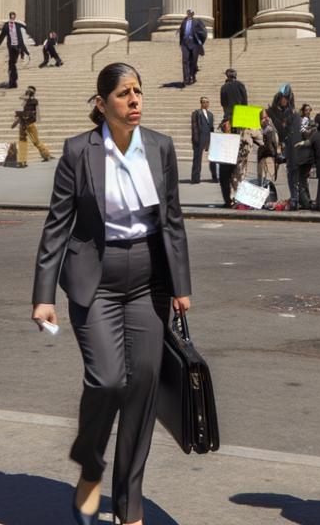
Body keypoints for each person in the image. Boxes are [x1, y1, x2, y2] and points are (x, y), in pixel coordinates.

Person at [32, 63, 192, 525]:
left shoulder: (160, 148)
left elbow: (174, 221)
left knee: (141, 388)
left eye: (139, 91)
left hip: (148, 284)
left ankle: (129, 506)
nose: (136, 100)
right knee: (107, 380)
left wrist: (181, 286)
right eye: (125, 93)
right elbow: (57, 225)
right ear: (102, 104)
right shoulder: (79, 151)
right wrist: (44, 294)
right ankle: (91, 466)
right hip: (95, 283)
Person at [267, 87, 306, 211]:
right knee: (292, 176)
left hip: (295, 151)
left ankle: (297, 200)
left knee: (296, 177)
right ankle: (297, 200)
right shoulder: (280, 113)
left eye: (285, 98)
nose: (282, 101)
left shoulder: (293, 114)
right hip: (289, 150)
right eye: (281, 98)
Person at [0, 11, 31, 89]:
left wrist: (25, 51)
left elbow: (21, 39)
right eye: (11, 17)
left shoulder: (18, 25)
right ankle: (13, 81)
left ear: (15, 17)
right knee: (12, 63)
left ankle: (13, 81)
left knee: (12, 63)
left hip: (18, 47)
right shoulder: (6, 26)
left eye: (13, 17)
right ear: (10, 17)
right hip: (11, 47)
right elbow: (1, 37)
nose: (12, 18)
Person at [13, 87, 53, 167]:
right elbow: (21, 104)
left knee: (35, 142)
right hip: (23, 124)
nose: (27, 92)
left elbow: (26, 102)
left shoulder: (34, 101)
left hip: (29, 124)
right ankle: (22, 161)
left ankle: (46, 154)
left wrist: (27, 97)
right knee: (23, 142)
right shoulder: (26, 101)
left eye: (28, 91)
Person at [178, 10, 208, 86]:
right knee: (185, 61)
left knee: (193, 61)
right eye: (188, 13)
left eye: (190, 13)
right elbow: (181, 32)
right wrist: (181, 42)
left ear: (193, 14)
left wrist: (200, 41)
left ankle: (193, 75)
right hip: (185, 44)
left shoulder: (197, 22)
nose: (189, 14)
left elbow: (203, 32)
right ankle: (186, 79)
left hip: (195, 44)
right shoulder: (184, 22)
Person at [189, 96, 214, 185]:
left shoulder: (210, 114)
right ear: (201, 103)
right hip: (199, 138)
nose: (206, 104)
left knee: (213, 158)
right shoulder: (196, 113)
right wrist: (195, 138)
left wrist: (213, 138)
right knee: (197, 159)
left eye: (207, 102)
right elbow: (194, 126)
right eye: (204, 102)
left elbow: (212, 128)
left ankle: (214, 177)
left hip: (208, 138)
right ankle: (195, 178)